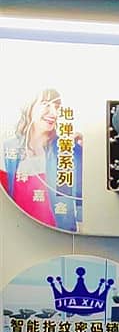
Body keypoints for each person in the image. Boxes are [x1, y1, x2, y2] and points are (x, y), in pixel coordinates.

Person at [1, 88, 83, 232]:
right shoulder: (9, 148)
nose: (54, 113)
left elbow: (81, 199)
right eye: (46, 104)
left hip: (56, 236)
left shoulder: (67, 150)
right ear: (30, 107)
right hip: (16, 233)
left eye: (57, 107)